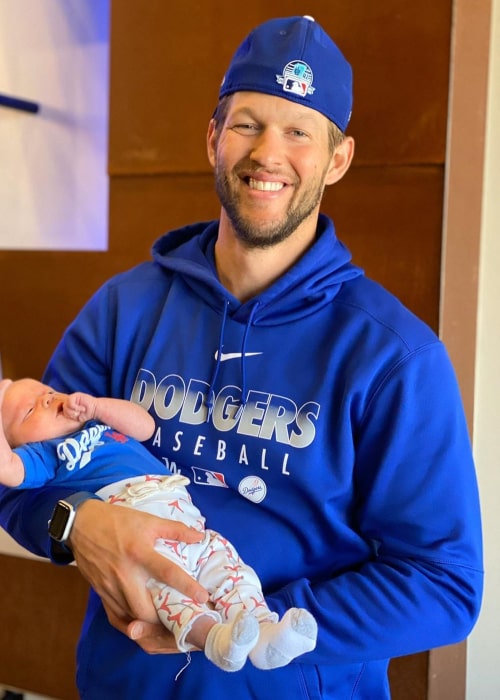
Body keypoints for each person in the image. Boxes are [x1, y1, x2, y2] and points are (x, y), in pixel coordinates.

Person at [0, 15, 482, 700]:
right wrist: (81, 527)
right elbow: (19, 471)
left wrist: (248, 629)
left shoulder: (395, 357)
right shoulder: (122, 310)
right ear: (213, 138)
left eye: (298, 132)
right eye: (248, 123)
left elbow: (444, 586)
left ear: (337, 158)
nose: (268, 154)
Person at [0, 377, 317, 672]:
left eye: (48, 392)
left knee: (226, 564)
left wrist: (97, 406)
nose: (47, 400)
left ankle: (261, 631)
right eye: (29, 411)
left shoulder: (96, 422)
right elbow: (10, 472)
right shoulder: (44, 456)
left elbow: (145, 426)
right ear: (16, 442)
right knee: (171, 590)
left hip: (183, 513)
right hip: (133, 519)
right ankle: (216, 639)